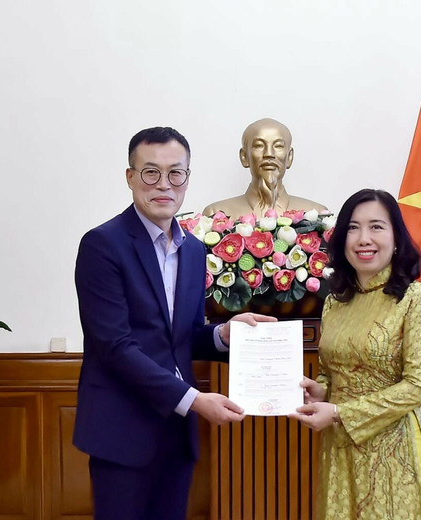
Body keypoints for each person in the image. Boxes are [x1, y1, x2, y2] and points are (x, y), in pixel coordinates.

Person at [73, 126, 275, 520]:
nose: (163, 184)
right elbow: (114, 347)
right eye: (150, 172)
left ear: (186, 178)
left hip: (176, 433)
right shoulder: (102, 245)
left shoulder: (195, 249)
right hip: (122, 432)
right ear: (130, 177)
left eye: (175, 173)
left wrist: (221, 335)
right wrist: (195, 401)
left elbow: (176, 338)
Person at [289, 188, 421, 520]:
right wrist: (321, 390)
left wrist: (339, 413)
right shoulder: (336, 300)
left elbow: (417, 387)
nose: (363, 238)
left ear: (396, 237)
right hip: (340, 447)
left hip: (393, 451)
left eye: (376, 227)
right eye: (354, 228)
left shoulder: (416, 299)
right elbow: (331, 373)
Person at [202, 118, 328, 218]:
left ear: (289, 157)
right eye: (259, 146)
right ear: (244, 157)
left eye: (278, 146)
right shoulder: (216, 215)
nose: (269, 153)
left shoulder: (317, 214)